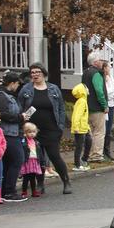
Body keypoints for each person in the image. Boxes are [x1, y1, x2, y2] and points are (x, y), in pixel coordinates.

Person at [17, 62, 71, 194]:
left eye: (38, 72)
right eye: (33, 73)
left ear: (43, 74)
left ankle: (66, 181)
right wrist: (22, 124)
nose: (35, 75)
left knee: (54, 156)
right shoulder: (26, 89)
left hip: (51, 128)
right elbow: (20, 107)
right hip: (33, 131)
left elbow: (61, 108)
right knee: (37, 157)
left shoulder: (53, 89)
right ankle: (40, 184)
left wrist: (60, 127)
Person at [0, 70, 27, 202]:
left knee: (7, 162)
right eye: (17, 83)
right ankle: (9, 191)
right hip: (8, 133)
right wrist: (20, 117)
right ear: (12, 83)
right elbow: (2, 114)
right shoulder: (1, 96)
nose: (17, 86)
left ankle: (5, 190)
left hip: (10, 132)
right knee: (17, 160)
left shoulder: (1, 94)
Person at [82, 50, 108, 163]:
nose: (102, 62)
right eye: (101, 60)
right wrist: (104, 104)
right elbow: (99, 90)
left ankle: (90, 153)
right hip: (97, 107)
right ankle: (96, 155)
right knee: (99, 132)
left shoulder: (86, 72)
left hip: (87, 106)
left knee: (91, 131)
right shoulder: (96, 74)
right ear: (96, 62)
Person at [71, 83, 92, 172]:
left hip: (83, 127)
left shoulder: (83, 101)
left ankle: (83, 160)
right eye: (86, 88)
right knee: (79, 146)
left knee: (89, 141)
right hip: (79, 129)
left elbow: (84, 117)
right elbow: (77, 115)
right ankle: (77, 164)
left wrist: (87, 127)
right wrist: (76, 127)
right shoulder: (82, 102)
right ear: (82, 91)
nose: (88, 89)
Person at [19, 122, 44, 198]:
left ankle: (34, 191)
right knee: (26, 178)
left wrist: (42, 162)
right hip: (27, 161)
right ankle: (24, 191)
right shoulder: (23, 141)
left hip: (34, 161)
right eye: (29, 132)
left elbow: (40, 153)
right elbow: (22, 149)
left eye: (33, 132)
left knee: (33, 178)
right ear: (25, 133)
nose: (32, 134)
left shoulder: (36, 142)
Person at [102, 61, 114, 161]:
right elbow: (107, 94)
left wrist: (113, 93)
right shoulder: (102, 79)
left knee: (109, 129)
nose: (110, 69)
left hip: (112, 105)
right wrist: (113, 93)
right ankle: (103, 151)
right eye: (108, 67)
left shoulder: (110, 78)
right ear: (104, 68)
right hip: (106, 106)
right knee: (105, 129)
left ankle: (107, 150)